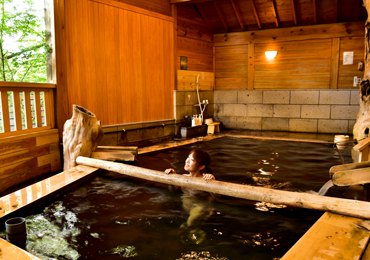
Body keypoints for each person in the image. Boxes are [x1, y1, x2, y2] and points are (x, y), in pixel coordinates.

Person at [164, 149, 216, 233]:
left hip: (201, 208)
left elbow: (217, 196)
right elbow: (172, 190)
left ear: (201, 166)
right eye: (188, 157)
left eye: (191, 160)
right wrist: (172, 178)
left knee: (189, 223)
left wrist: (213, 181)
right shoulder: (183, 177)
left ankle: (185, 229)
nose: (187, 161)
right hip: (187, 209)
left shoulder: (205, 179)